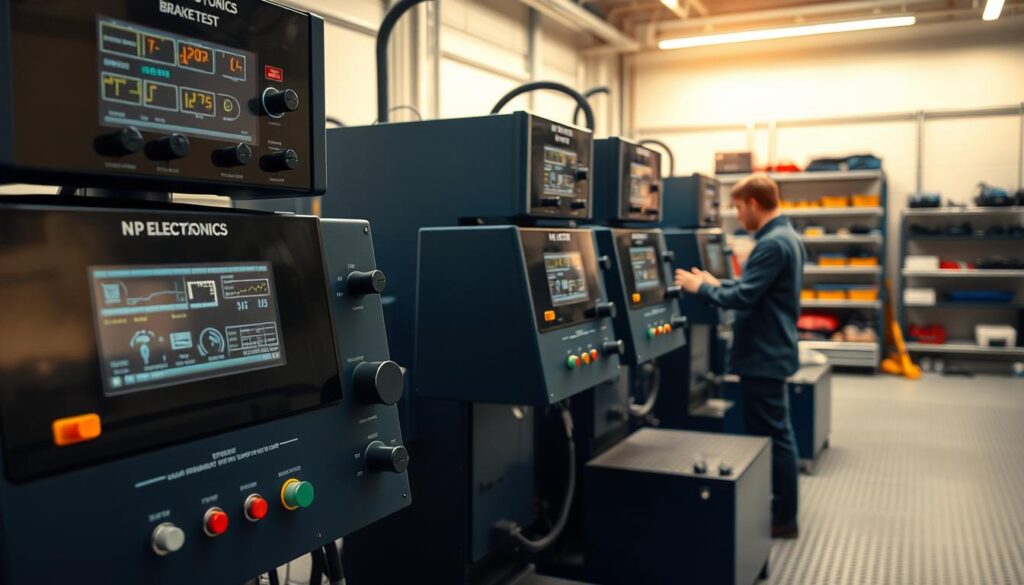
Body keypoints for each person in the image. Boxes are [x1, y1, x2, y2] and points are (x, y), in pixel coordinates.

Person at [674, 173, 805, 538]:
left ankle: (783, 517)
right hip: (772, 350)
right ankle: (780, 508)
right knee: (777, 433)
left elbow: (745, 298)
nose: (737, 215)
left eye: (737, 207)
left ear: (751, 203)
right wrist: (719, 284)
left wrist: (701, 288)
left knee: (774, 437)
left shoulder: (771, 244)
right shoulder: (786, 238)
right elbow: (753, 288)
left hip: (764, 354)